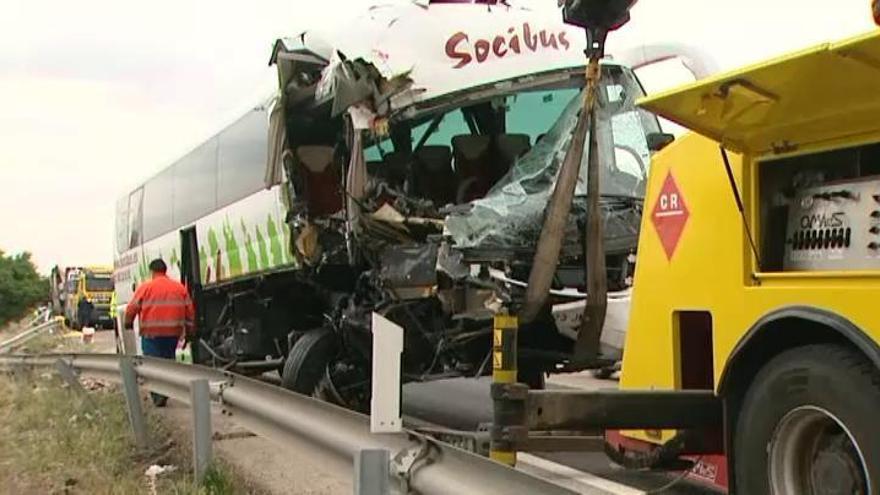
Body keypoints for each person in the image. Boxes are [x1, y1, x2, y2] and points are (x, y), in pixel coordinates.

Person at [124, 258, 195, 407]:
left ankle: (158, 396)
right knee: (168, 362)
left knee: (152, 364)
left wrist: (128, 323)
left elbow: (132, 308)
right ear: (165, 270)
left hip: (151, 333)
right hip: (172, 332)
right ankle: (166, 391)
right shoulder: (179, 288)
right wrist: (189, 331)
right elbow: (190, 312)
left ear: (152, 271)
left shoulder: (146, 287)